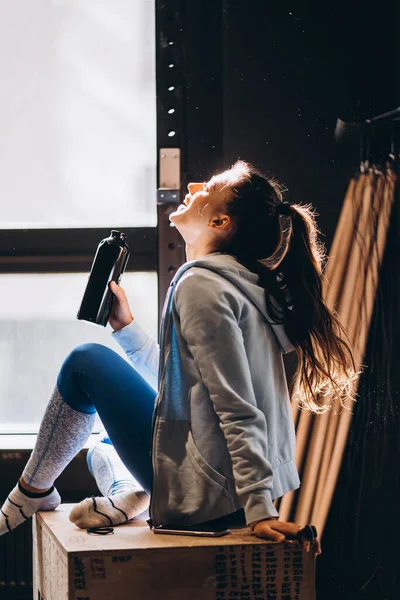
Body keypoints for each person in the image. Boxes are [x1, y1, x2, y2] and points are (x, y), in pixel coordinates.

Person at [0, 161, 355, 554]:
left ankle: (31, 492)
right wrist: (126, 328)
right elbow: (189, 388)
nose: (193, 185)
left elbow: (237, 407)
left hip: (211, 500)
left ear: (220, 221)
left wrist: (260, 511)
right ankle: (127, 493)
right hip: (229, 494)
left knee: (84, 362)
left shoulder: (202, 284)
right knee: (101, 438)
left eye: (211, 187)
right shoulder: (236, 282)